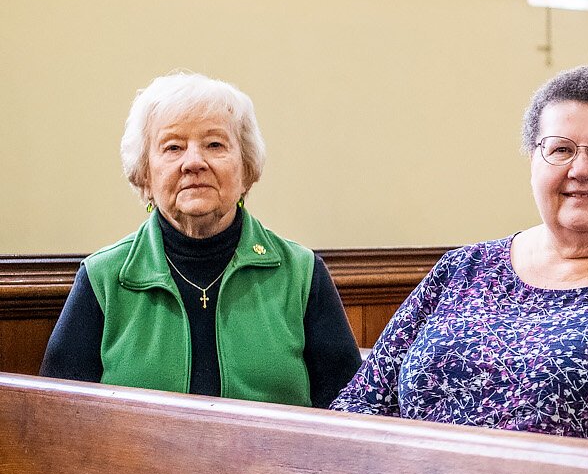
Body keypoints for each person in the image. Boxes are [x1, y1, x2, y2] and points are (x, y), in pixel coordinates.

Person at [334, 66, 588, 441]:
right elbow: (362, 403)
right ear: (532, 163)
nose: (580, 169)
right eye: (559, 149)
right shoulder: (463, 269)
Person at [41, 71, 362, 407]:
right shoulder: (103, 277)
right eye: (173, 147)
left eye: (214, 144)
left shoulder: (301, 273)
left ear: (246, 170)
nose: (193, 162)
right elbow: (56, 422)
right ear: (145, 176)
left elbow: (351, 413)